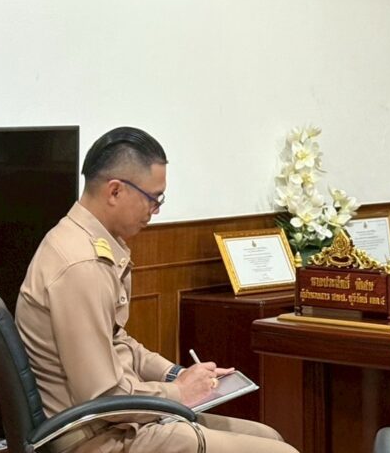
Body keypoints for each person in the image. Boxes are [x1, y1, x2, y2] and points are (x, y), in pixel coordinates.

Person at [16, 127, 298, 453]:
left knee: (269, 437)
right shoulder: (81, 266)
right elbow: (104, 397)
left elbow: (118, 342)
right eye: (153, 198)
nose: (156, 209)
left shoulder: (89, 242)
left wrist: (175, 375)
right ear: (115, 191)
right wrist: (179, 394)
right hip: (98, 438)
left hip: (119, 421)